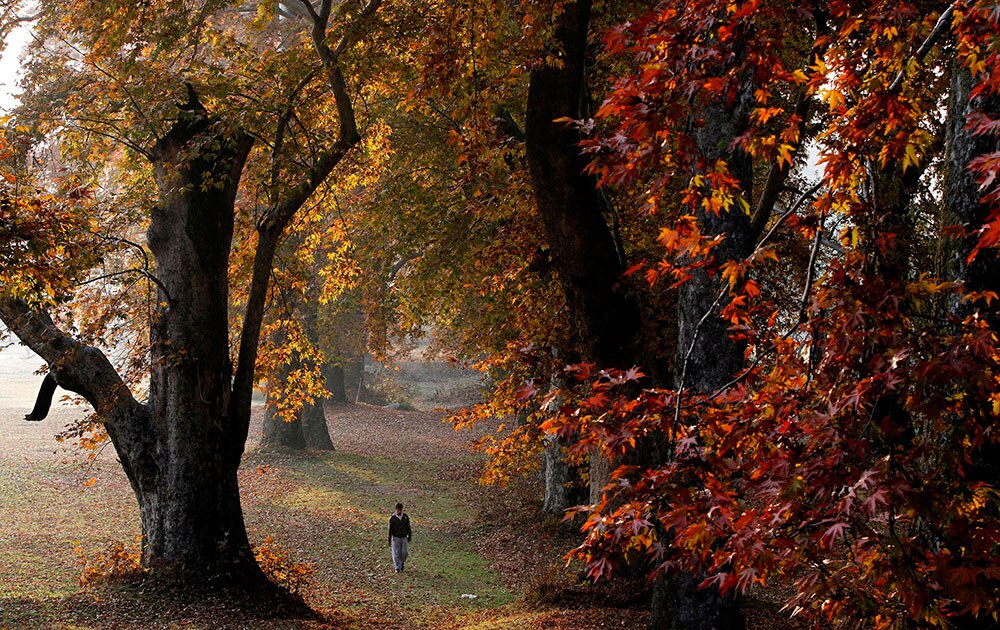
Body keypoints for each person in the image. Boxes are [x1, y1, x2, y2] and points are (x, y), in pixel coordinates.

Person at [388, 502, 412, 572]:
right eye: (398, 510)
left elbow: (408, 527)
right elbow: (390, 530)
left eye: (400, 510)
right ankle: (397, 567)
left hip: (404, 537)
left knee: (404, 552)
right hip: (396, 537)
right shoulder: (393, 519)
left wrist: (409, 535)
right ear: (396, 510)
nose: (399, 511)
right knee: (396, 553)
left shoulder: (405, 517)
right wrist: (389, 539)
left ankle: (401, 563)